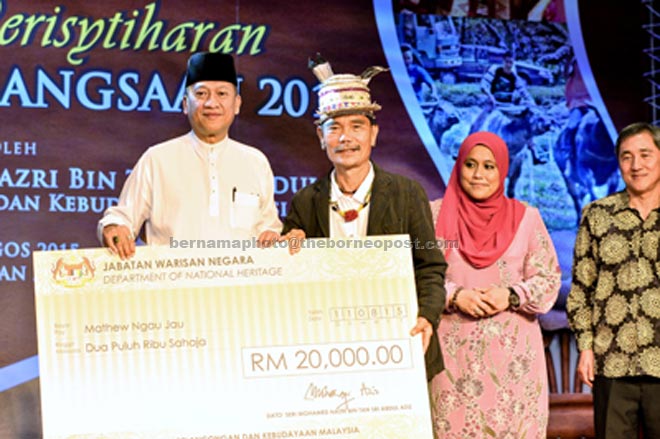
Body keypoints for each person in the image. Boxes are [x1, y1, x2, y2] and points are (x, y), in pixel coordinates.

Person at [281, 55, 447, 382]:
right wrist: (287, 252)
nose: (346, 138)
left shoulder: (407, 194)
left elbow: (430, 267)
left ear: (373, 134)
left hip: (399, 348)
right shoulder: (305, 202)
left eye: (357, 126)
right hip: (329, 355)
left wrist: (427, 317)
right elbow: (290, 278)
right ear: (320, 136)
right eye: (335, 128)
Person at [429, 131, 561, 438]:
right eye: (470, 164)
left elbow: (549, 279)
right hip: (452, 363)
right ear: (458, 166)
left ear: (502, 170)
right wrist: (454, 295)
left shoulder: (527, 218)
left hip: (513, 364)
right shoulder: (433, 215)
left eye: (489, 166)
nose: (478, 175)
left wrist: (512, 296)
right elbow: (418, 273)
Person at [98, 52, 282, 259]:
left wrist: (272, 235)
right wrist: (114, 227)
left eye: (222, 94)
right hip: (173, 285)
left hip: (239, 287)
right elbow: (121, 218)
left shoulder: (255, 162)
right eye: (201, 94)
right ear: (186, 104)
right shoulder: (158, 159)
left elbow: (269, 227)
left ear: (237, 104)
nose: (212, 103)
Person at [566, 122, 660, 439]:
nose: (636, 166)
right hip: (612, 363)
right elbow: (580, 290)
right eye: (626, 157)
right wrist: (587, 348)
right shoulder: (597, 215)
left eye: (645, 154)